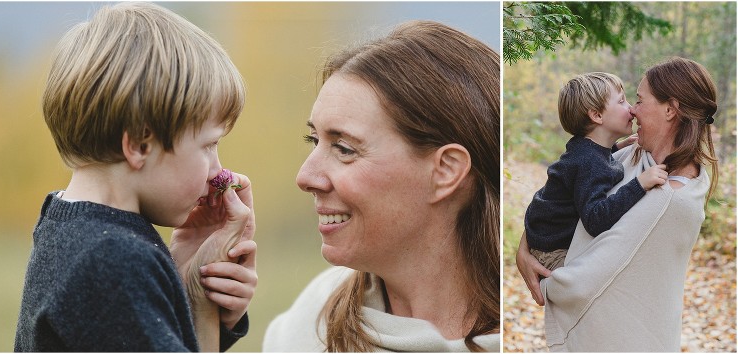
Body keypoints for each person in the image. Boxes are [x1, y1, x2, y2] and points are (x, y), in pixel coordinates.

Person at [14, 3, 257, 351]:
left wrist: (196, 298)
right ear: (141, 144)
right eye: (209, 145)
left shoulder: (70, 229)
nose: (219, 170)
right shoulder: (115, 261)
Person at [263, 20, 500, 352]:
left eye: (344, 148)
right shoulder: (305, 329)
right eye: (313, 140)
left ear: (446, 170)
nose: (305, 177)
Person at [516, 57, 719, 351]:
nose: (633, 110)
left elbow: (581, 280)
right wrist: (525, 247)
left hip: (623, 341)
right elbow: (561, 196)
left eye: (638, 99)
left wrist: (543, 279)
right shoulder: (636, 155)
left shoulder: (669, 200)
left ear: (670, 110)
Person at [524, 72, 668, 271]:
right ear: (597, 115)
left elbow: (597, 165)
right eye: (622, 101)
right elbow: (595, 219)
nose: (631, 109)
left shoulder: (587, 150)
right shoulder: (588, 162)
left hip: (547, 238)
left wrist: (616, 148)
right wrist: (639, 184)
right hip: (553, 252)